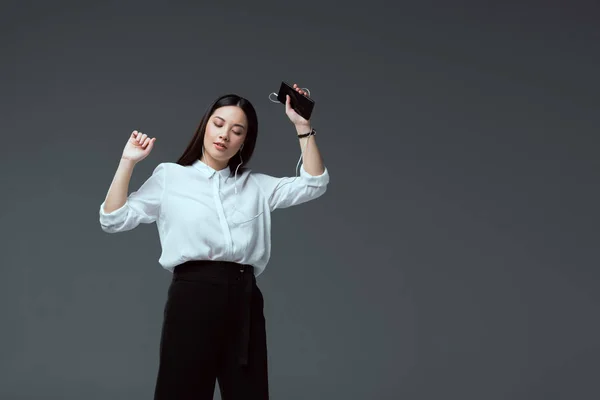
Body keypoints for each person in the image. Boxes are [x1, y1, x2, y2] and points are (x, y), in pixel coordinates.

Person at [98, 83, 329, 399]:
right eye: (218, 124)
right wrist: (128, 161)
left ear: (244, 140)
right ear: (205, 126)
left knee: (249, 393)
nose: (224, 135)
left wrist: (302, 126)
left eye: (237, 130)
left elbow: (314, 184)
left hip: (244, 299)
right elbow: (113, 219)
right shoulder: (170, 178)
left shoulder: (256, 186)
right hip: (192, 297)